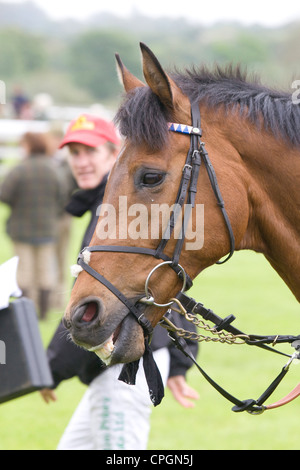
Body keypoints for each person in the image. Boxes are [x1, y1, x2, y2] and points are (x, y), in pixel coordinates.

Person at [41, 114, 199, 450]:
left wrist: (47, 371)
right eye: (75, 153)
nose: (81, 162)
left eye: (90, 151)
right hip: (119, 367)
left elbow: (90, 309)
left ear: (115, 153)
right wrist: (179, 361)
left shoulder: (117, 210)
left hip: (126, 370)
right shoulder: (111, 206)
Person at [0, 132, 64, 319]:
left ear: (29, 146)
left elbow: (4, 194)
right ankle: (43, 313)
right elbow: (62, 196)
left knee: (24, 272)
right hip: (47, 229)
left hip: (21, 230)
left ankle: (26, 311)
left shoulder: (20, 169)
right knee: (46, 271)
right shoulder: (53, 169)